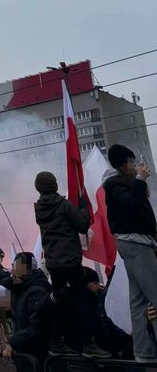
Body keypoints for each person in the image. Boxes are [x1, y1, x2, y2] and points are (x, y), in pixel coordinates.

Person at [34, 171, 110, 358]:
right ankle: (87, 344)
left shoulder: (39, 209)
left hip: (53, 263)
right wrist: (83, 205)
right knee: (84, 299)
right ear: (55, 185)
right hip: (70, 261)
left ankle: (57, 341)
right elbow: (83, 224)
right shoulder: (64, 205)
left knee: (58, 300)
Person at [103, 144, 157, 363]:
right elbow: (130, 205)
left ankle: (144, 352)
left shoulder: (122, 183)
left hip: (137, 242)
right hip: (136, 243)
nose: (135, 167)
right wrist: (140, 182)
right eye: (132, 163)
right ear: (122, 164)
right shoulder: (115, 184)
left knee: (138, 301)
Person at [81, 267, 134, 359]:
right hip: (110, 349)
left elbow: (117, 322)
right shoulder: (92, 301)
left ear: (95, 283)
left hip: (119, 347)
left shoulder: (109, 298)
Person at [7, 252, 51, 361]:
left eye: (15, 267)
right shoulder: (24, 290)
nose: (12, 272)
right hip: (27, 355)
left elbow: (37, 327)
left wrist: (14, 342)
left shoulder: (36, 292)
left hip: (35, 356)